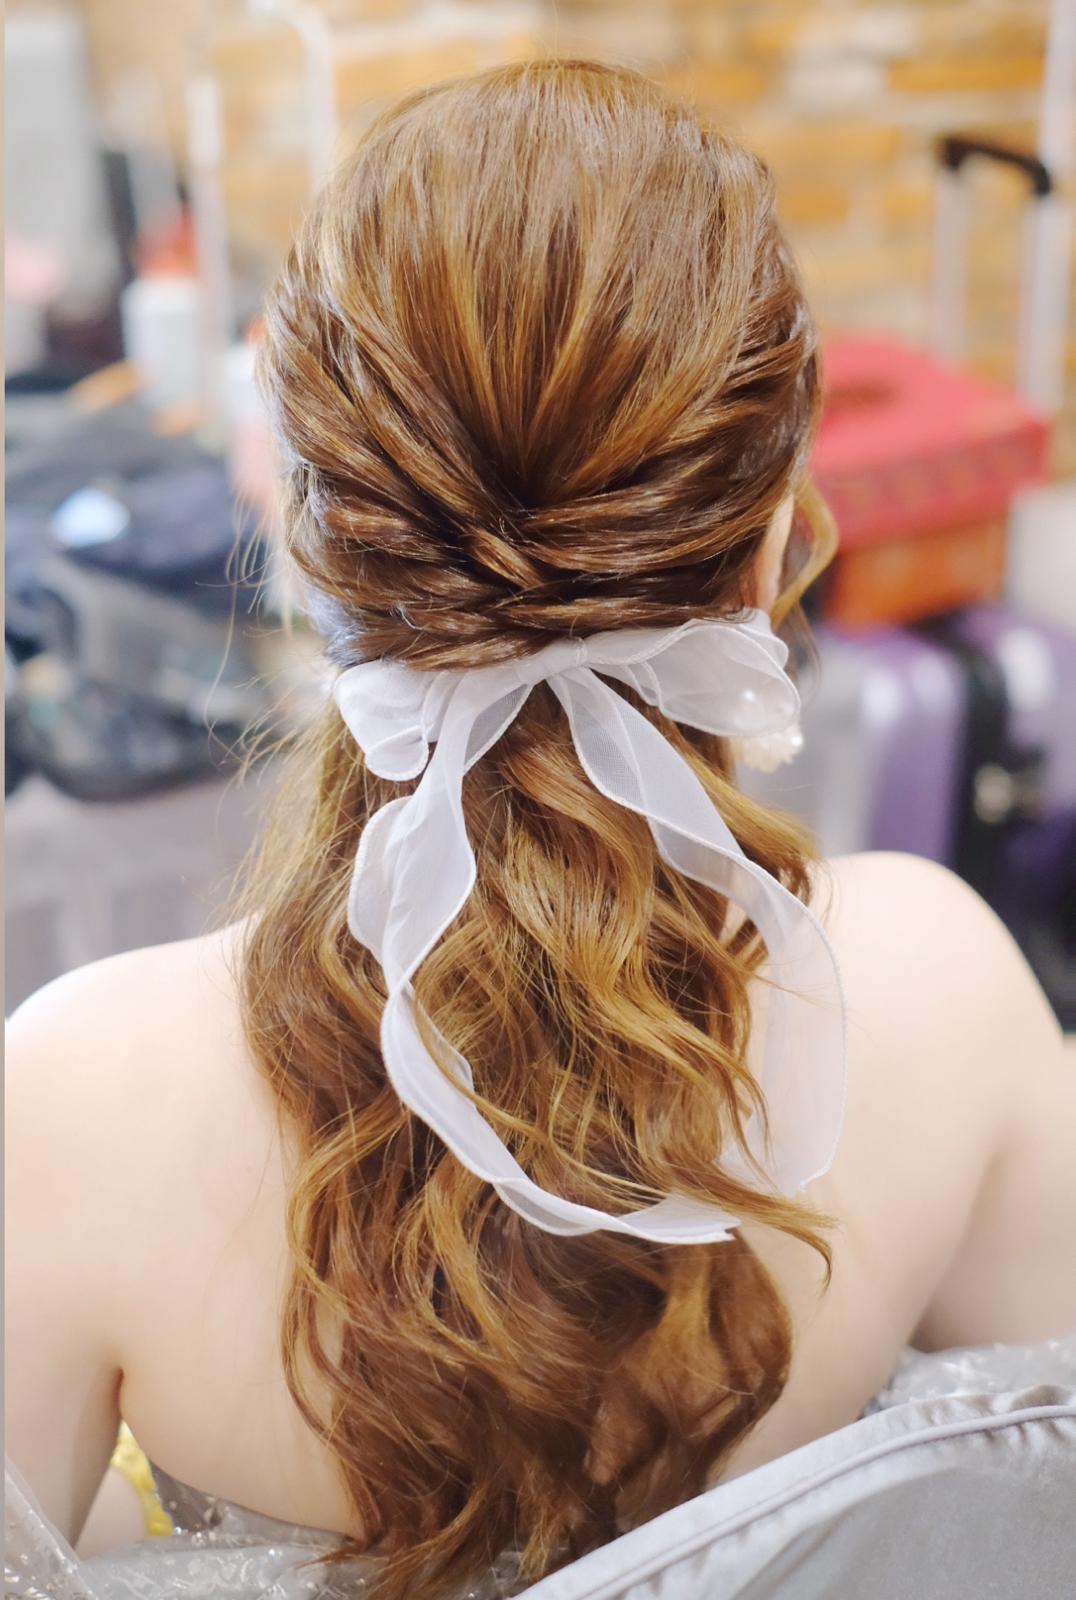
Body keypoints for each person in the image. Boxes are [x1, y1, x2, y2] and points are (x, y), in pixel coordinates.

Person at [6, 56, 1074, 1600]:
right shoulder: (946, 988)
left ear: (301, 541)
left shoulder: (70, 1099)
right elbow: (1026, 1508)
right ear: (770, 543)